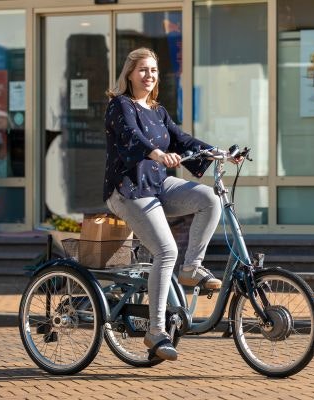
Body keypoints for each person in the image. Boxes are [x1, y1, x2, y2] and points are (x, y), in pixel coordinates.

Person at [104, 48, 229, 361]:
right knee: (166, 250)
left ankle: (191, 268)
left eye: (154, 71)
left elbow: (181, 139)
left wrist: (217, 153)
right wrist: (157, 154)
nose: (149, 76)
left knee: (208, 199)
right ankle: (155, 330)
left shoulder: (157, 111)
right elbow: (130, 137)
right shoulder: (120, 105)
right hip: (129, 189)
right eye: (143, 70)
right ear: (130, 74)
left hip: (157, 186)